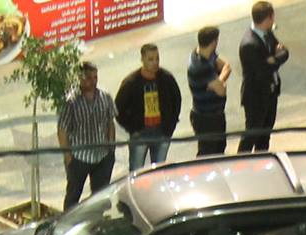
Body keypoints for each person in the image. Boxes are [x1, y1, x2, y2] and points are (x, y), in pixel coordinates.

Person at [59, 62, 120, 208]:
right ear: (80, 78)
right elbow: (62, 129)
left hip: (102, 157)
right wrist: (68, 156)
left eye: (95, 77)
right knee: (73, 196)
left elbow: (110, 122)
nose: (92, 82)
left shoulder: (105, 97)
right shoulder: (71, 101)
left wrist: (111, 148)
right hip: (79, 158)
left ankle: (98, 219)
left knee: (100, 197)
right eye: (88, 78)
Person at [116, 44, 183, 170]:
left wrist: (170, 126)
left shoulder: (167, 79)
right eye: (151, 59)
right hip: (140, 134)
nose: (155, 62)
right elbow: (119, 109)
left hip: (162, 132)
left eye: (157, 58)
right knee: (137, 171)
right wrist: (133, 129)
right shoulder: (131, 82)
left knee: (159, 170)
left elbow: (176, 101)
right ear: (142, 59)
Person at [237, 2, 288, 153]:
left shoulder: (267, 33)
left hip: (271, 93)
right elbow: (262, 71)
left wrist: (273, 59)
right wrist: (274, 59)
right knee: (252, 133)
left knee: (265, 134)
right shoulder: (249, 44)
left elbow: (284, 52)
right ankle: (241, 161)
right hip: (256, 97)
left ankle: (261, 159)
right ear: (268, 18)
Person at [188, 26, 232, 155]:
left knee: (219, 148)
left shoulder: (206, 53)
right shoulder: (200, 67)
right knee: (208, 153)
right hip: (206, 119)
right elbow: (222, 91)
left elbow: (227, 66)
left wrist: (218, 80)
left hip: (216, 115)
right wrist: (220, 82)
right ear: (214, 42)